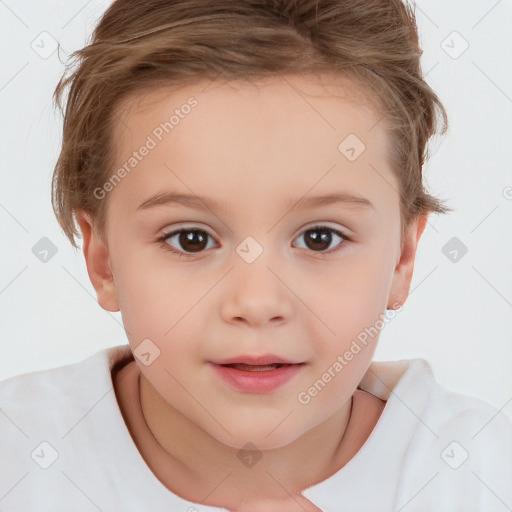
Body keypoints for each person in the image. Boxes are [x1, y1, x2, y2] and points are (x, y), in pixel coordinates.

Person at [1, 1, 510, 511]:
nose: (257, 302)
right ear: (103, 262)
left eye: (320, 238)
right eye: (191, 239)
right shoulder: (18, 456)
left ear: (402, 258)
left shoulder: (482, 476)